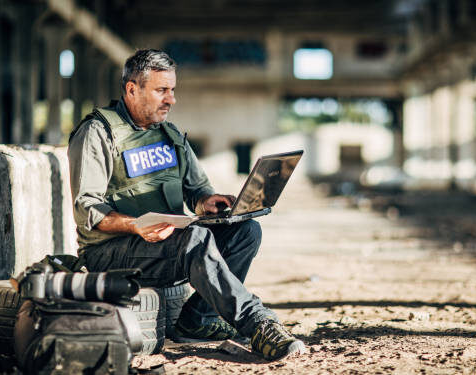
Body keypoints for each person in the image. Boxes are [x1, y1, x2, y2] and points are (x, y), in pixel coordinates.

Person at [67, 49, 306, 361]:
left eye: (172, 90)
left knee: (246, 231)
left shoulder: (170, 135)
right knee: (195, 239)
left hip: (165, 245)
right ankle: (257, 323)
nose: (171, 99)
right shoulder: (98, 132)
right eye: (161, 90)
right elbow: (87, 209)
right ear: (131, 89)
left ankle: (197, 321)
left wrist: (207, 202)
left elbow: (197, 190)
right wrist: (135, 225)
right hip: (110, 252)